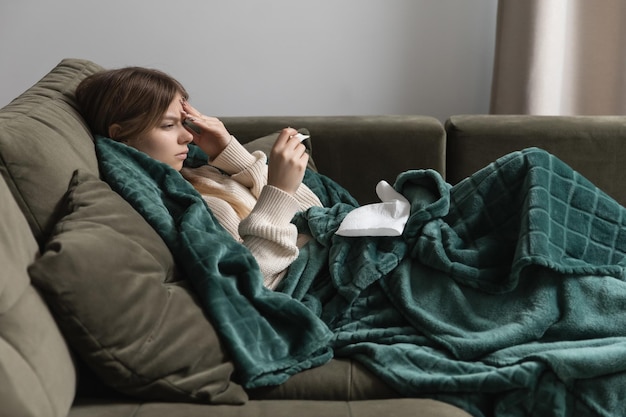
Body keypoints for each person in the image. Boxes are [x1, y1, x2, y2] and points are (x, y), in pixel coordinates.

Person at [75, 67, 323, 289]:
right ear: (121, 137)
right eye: (168, 125)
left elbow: (316, 215)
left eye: (185, 123)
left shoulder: (196, 171)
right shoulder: (182, 207)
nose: (189, 137)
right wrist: (279, 191)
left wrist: (229, 152)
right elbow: (248, 283)